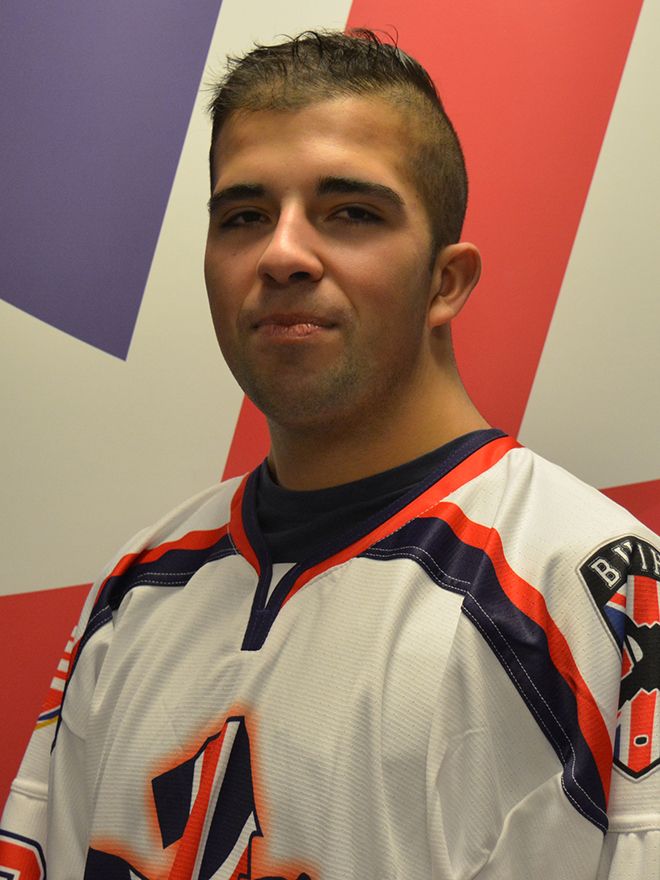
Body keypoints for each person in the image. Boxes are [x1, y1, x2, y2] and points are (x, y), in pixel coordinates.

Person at [1, 29, 658, 880]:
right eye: (244, 216)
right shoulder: (139, 584)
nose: (281, 253)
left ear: (447, 280)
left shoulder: (595, 589)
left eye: (351, 213)